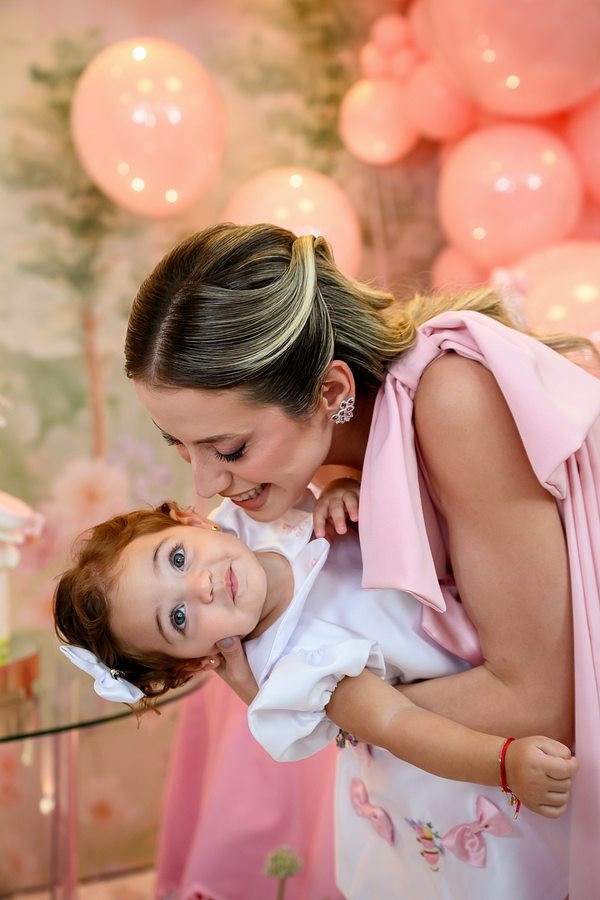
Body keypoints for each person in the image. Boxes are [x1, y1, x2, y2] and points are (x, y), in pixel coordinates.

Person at [122, 223, 600, 899]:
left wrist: (322, 701)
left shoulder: (453, 400)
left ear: (328, 391)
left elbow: (538, 705)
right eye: (179, 444)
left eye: (229, 450)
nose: (205, 484)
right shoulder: (317, 478)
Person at [55, 495, 576, 897]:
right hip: (463, 746)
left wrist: (342, 488)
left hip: (489, 600)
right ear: (196, 661)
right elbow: (397, 725)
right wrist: (503, 763)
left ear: (192, 522)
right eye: (178, 617)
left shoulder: (257, 516)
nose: (200, 586)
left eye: (176, 558)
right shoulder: (298, 667)